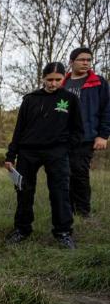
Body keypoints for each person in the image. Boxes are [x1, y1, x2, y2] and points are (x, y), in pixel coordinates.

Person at [5, 62, 83, 249]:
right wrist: (11, 155)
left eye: (58, 79)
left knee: (60, 192)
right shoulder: (30, 99)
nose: (53, 83)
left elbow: (78, 131)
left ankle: (63, 232)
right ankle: (22, 229)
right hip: (28, 152)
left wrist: (65, 149)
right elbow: (19, 129)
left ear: (64, 78)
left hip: (56, 152)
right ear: (43, 78)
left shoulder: (70, 99)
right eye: (50, 79)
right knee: (24, 191)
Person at [62, 47, 110, 217]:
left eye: (89, 60)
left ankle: (83, 212)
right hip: (63, 137)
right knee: (64, 173)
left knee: (79, 172)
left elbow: (107, 110)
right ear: (71, 61)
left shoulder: (99, 82)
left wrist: (103, 135)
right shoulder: (63, 83)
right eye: (82, 59)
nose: (86, 63)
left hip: (86, 136)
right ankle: (67, 210)